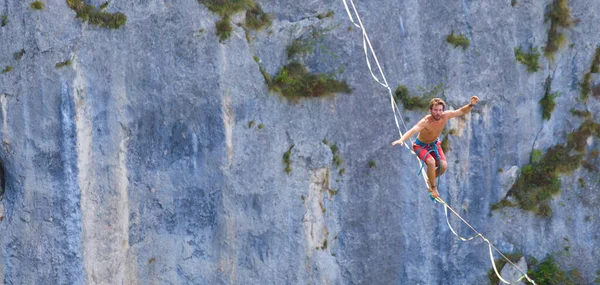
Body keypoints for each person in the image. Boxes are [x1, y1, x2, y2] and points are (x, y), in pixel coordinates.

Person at [392, 96, 479, 199]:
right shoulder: (426, 121)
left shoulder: (445, 116)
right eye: (435, 110)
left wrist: (470, 105)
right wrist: (402, 140)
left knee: (443, 166)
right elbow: (413, 130)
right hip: (420, 146)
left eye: (440, 110)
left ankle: (431, 179)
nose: (438, 113)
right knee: (431, 162)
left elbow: (461, 111)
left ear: (443, 110)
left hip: (434, 144)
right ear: (430, 110)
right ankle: (433, 187)